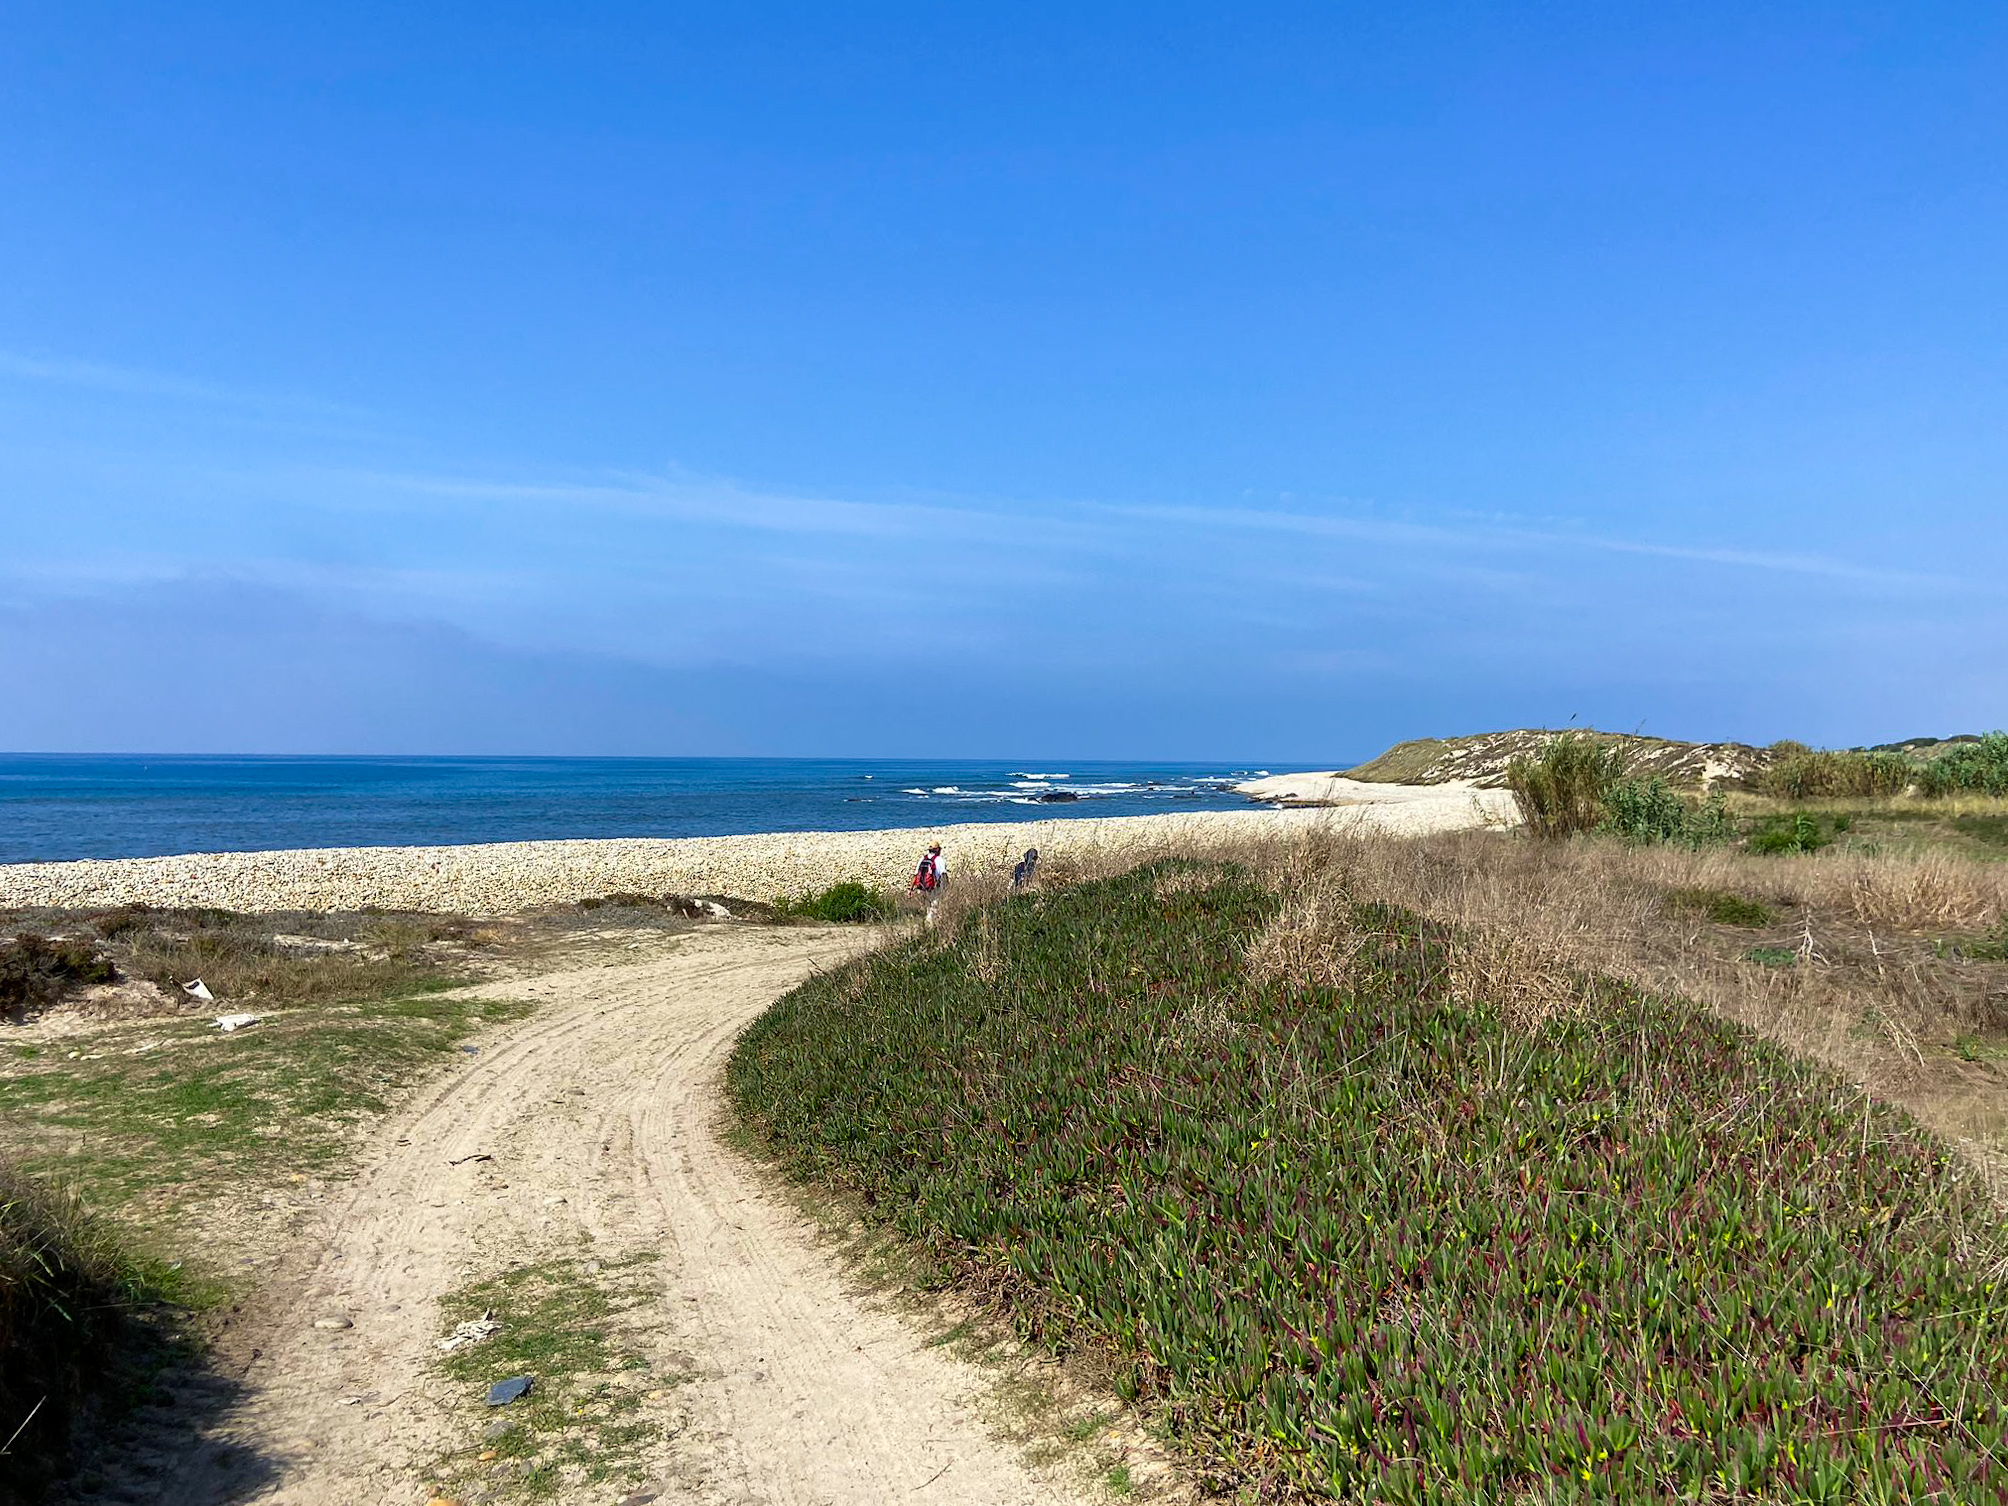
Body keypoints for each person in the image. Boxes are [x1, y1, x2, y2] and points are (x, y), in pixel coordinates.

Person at [911, 841, 946, 923]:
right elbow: (943, 874)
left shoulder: (922, 859)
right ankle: (930, 926)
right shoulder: (939, 859)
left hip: (922, 887)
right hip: (934, 887)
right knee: (934, 907)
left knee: (928, 906)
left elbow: (916, 875)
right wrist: (946, 887)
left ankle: (929, 924)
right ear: (937, 850)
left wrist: (911, 889)